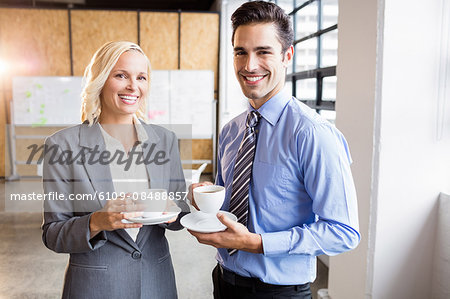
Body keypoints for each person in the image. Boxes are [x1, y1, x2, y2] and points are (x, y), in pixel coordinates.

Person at [188, 2, 360, 298]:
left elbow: (344, 231)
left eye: (263, 52)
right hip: (223, 281)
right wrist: (206, 197)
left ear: (287, 56)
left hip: (279, 292)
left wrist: (256, 243)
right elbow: (233, 201)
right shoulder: (231, 131)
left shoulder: (313, 134)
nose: (249, 65)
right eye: (241, 52)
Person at [41, 41, 188, 299]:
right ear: (100, 80)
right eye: (121, 75)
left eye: (141, 77)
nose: (133, 86)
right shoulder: (62, 146)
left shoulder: (165, 140)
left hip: (157, 283)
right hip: (95, 287)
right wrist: (97, 221)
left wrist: (183, 208)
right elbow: (53, 234)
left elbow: (178, 214)